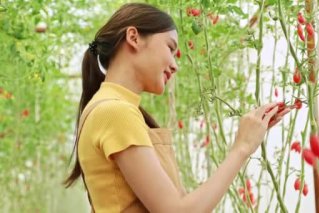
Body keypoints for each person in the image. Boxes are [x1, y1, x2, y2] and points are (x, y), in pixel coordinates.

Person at [64, 3, 290, 212]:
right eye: (170, 48)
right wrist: (242, 147)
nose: (175, 65)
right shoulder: (116, 111)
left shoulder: (111, 107)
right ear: (133, 37)